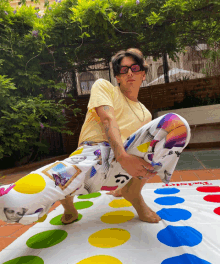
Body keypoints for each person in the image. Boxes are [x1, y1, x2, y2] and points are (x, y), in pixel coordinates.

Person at [0, 48, 191, 225]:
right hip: (92, 157)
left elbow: (141, 149)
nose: (130, 73)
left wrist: (124, 164)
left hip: (121, 168)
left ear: (143, 74)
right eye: (123, 70)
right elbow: (108, 120)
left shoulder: (146, 114)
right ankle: (67, 200)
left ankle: (133, 192)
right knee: (11, 202)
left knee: (176, 124)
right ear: (117, 76)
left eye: (135, 68)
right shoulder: (105, 87)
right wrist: (123, 157)